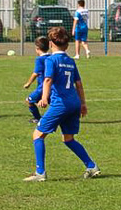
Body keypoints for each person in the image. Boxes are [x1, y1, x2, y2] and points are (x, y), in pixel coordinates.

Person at [24, 26, 99, 182]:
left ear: (51, 44)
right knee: (68, 139)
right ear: (67, 45)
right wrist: (83, 104)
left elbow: (48, 79)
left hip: (61, 104)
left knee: (37, 135)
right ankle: (91, 166)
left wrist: (44, 97)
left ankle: (40, 173)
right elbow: (78, 84)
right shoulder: (70, 61)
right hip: (74, 103)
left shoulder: (51, 60)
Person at [23, 36, 51, 124]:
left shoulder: (39, 59)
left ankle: (38, 118)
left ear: (37, 48)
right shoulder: (51, 57)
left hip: (42, 87)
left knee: (29, 100)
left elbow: (36, 73)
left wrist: (28, 83)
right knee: (53, 103)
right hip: (51, 86)